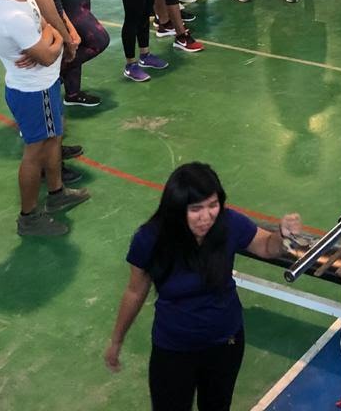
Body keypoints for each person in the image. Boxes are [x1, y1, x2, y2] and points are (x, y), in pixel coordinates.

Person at [104, 162, 303, 411]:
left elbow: (265, 246)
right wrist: (116, 340)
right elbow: (135, 291)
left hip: (225, 342)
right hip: (173, 348)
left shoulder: (229, 223)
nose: (206, 217)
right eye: (195, 209)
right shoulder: (150, 239)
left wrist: (281, 236)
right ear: (177, 209)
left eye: (212, 205)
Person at [0, 0, 89, 237]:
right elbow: (46, 55)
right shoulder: (13, 16)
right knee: (34, 153)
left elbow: (46, 28)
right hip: (33, 92)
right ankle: (28, 217)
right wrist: (52, 43)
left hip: (44, 85)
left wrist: (48, 38)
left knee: (55, 137)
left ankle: (57, 193)